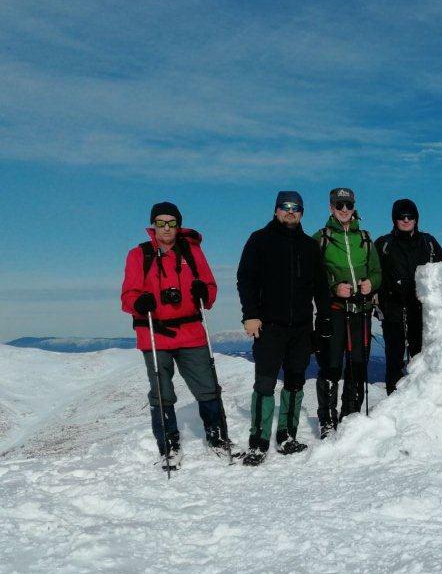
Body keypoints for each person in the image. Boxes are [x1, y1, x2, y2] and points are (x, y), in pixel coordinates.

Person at [121, 201, 223, 464]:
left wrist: (205, 293)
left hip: (191, 331)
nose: (166, 228)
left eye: (171, 223)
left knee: (208, 387)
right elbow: (127, 296)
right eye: (160, 223)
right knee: (161, 392)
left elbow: (210, 287)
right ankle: (169, 445)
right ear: (153, 226)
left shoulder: (192, 252)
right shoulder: (138, 254)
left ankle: (217, 437)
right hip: (154, 333)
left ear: (178, 225)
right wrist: (138, 303)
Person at [236, 191, 331, 465]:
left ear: (302, 212)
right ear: (276, 210)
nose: (291, 212)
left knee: (295, 381)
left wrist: (323, 317)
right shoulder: (260, 240)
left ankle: (287, 436)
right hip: (269, 326)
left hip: (301, 327)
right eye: (285, 207)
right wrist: (250, 315)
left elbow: (321, 286)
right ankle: (259, 441)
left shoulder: (309, 246)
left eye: (296, 208)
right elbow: (246, 279)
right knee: (265, 384)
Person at [312, 187, 382, 437]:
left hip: (361, 310)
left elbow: (376, 271)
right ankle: (327, 420)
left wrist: (371, 284)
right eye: (339, 205)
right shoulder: (320, 238)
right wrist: (333, 286)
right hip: (334, 310)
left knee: (358, 363)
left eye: (348, 205)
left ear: (354, 207)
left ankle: (350, 415)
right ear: (331, 207)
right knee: (331, 364)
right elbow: (314, 274)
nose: (344, 210)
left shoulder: (364, 237)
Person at [375, 198, 442, 394]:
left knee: (421, 359)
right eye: (401, 216)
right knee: (394, 361)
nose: (406, 220)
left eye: (410, 216)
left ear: (416, 219)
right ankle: (393, 402)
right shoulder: (384, 244)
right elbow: (373, 273)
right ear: (394, 219)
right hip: (393, 311)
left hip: (422, 312)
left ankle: (420, 402)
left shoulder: (429, 243)